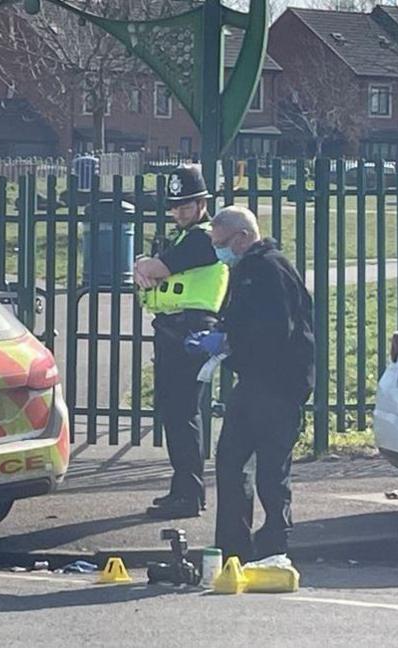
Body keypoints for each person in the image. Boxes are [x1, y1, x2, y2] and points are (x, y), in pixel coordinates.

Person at [194, 205, 315, 563]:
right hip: (253, 381)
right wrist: (221, 335)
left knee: (271, 470)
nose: (220, 252)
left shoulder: (270, 269)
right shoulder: (248, 269)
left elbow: (275, 332)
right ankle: (234, 547)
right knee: (231, 460)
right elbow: (244, 320)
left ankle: (275, 545)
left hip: (279, 383)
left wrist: (228, 344)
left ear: (243, 237)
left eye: (223, 244)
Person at [133, 165, 229, 518]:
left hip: (191, 330)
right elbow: (152, 268)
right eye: (174, 206)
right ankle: (182, 489)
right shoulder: (184, 236)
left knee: (182, 413)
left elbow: (157, 271)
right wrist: (147, 264)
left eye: (186, 205)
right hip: (174, 330)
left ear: (202, 202)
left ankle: (188, 495)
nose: (178, 212)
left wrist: (146, 265)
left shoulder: (204, 237)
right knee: (174, 412)